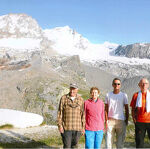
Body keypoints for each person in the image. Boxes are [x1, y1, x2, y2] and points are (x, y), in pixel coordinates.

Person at [57, 83, 85, 148]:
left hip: (77, 128)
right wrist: (60, 125)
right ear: (69, 89)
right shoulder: (63, 98)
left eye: (74, 89)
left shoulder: (81, 99)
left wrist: (83, 127)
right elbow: (60, 112)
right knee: (67, 146)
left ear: (77, 90)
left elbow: (83, 114)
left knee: (75, 146)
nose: (72, 91)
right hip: (66, 128)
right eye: (71, 89)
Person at [105, 78, 129, 149]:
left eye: (118, 84)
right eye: (115, 84)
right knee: (108, 143)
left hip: (120, 120)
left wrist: (126, 120)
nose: (116, 85)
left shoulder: (124, 95)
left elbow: (126, 109)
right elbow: (106, 109)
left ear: (120, 85)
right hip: (110, 120)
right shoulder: (108, 95)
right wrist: (106, 120)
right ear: (112, 85)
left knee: (120, 143)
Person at [130, 78, 150, 148]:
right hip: (139, 122)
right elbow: (132, 109)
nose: (144, 85)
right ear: (139, 85)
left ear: (148, 85)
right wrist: (134, 120)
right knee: (139, 143)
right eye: (142, 83)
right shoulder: (135, 95)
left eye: (146, 83)